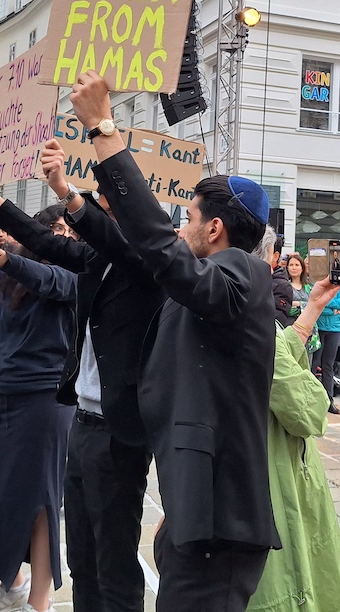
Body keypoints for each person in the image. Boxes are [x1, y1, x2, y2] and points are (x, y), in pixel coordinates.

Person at [69, 71, 280, 611]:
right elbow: (140, 250)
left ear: (214, 231)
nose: (180, 228)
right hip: (196, 513)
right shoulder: (210, 281)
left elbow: (159, 251)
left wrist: (105, 132)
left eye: (188, 219)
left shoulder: (241, 277)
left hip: (220, 526)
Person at [0, 146, 162, 612]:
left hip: (119, 432)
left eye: (105, 204)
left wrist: (64, 189)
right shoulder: (99, 260)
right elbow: (49, 244)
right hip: (82, 421)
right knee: (81, 556)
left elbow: (83, 251)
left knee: (113, 560)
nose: (94, 211)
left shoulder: (148, 262)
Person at [0, 212, 78, 612]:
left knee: (42, 501)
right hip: (7, 394)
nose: (60, 237)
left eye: (66, 231)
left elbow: (46, 280)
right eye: (53, 231)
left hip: (48, 399)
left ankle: (38, 604)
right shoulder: (11, 276)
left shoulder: (74, 274)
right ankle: (11, 584)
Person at [247, 228, 340, 612]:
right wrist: (316, 392)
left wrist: (312, 306)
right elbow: (309, 410)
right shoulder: (244, 310)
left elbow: (282, 347)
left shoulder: (224, 298)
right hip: (266, 468)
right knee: (282, 576)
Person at [311, 269, 340, 416]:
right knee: (314, 364)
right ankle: (311, 399)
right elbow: (315, 305)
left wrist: (326, 302)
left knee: (328, 365)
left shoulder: (337, 287)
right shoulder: (316, 285)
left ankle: (329, 399)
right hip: (318, 327)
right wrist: (332, 310)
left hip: (334, 329)